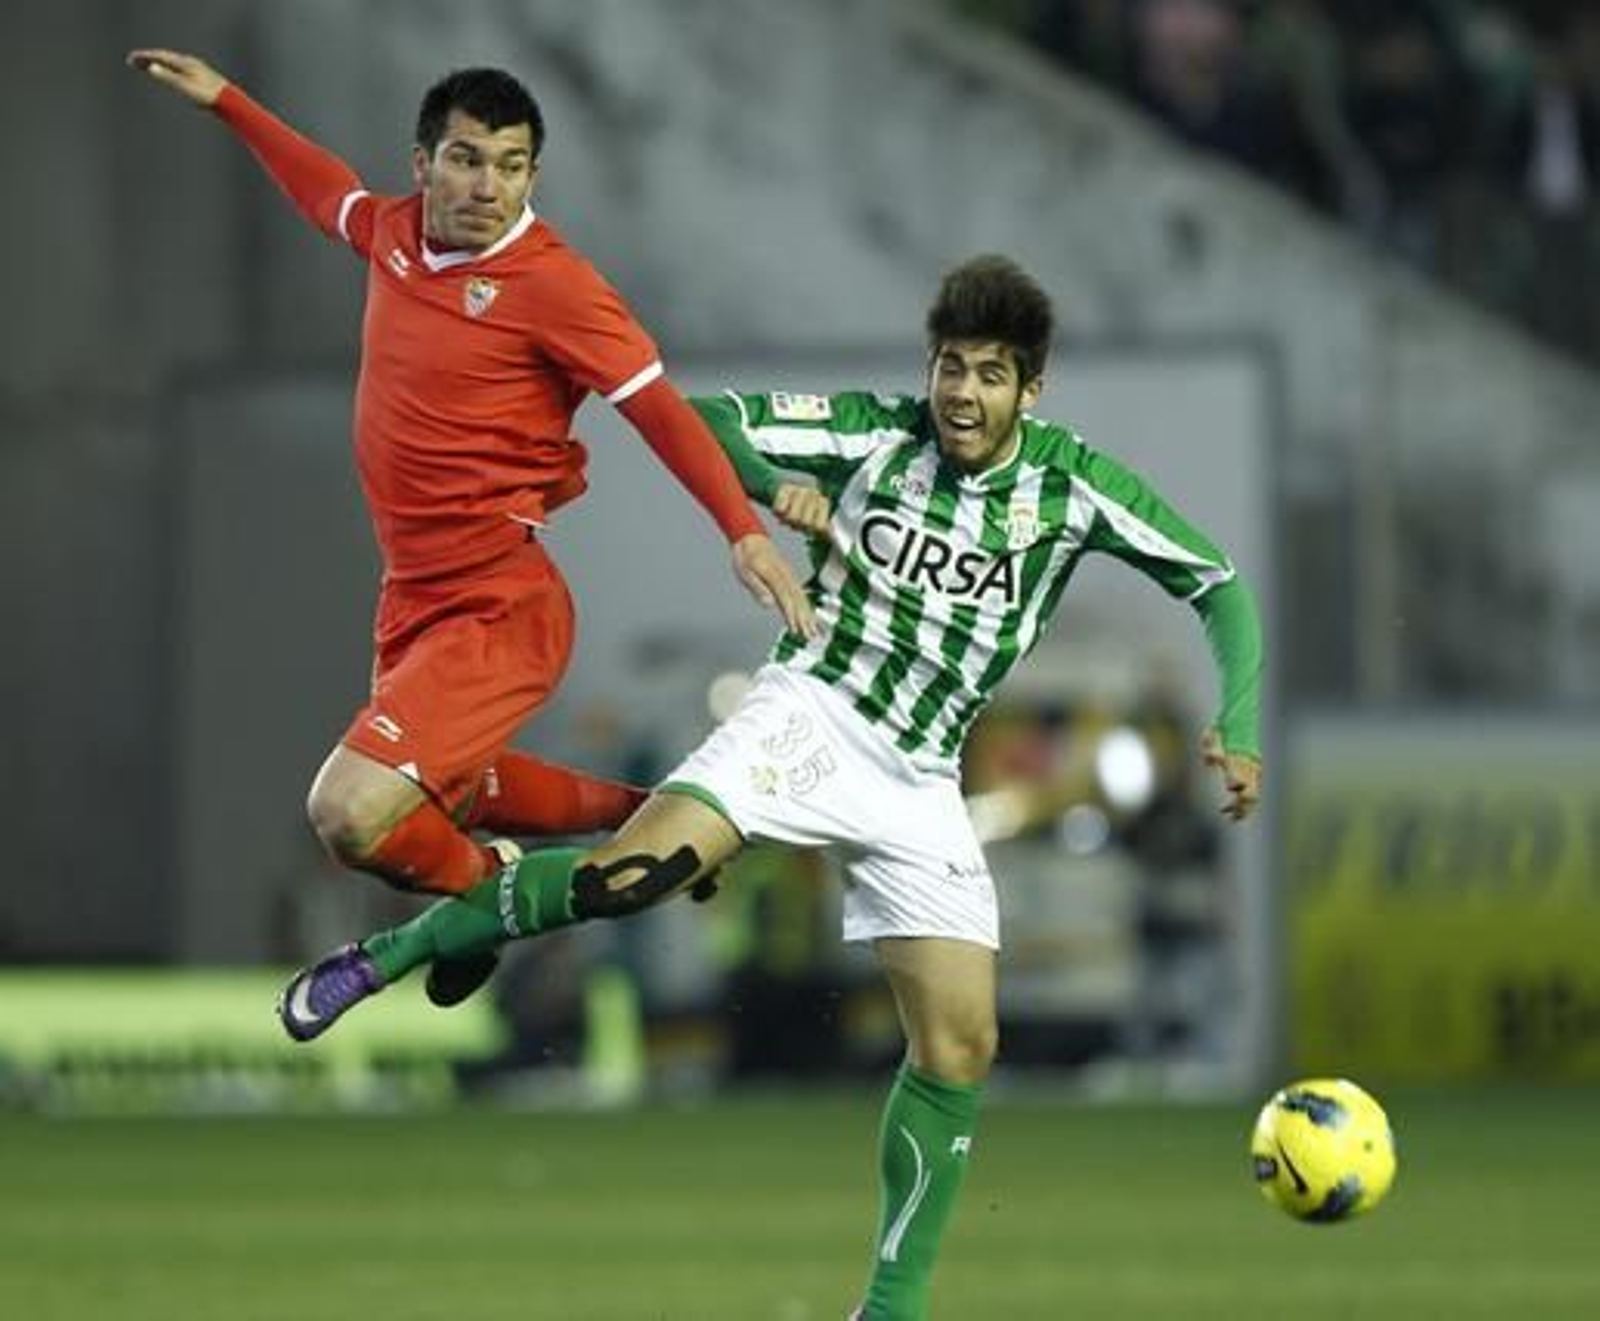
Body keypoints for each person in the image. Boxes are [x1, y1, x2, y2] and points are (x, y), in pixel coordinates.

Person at [278, 254, 1265, 1319]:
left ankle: (887, 1310)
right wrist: (762, 481)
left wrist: (1237, 722)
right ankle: (396, 951)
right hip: (809, 717)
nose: (962, 394)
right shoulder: (870, 435)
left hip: (920, 774)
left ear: (1032, 389)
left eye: (988, 374)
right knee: (632, 879)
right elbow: (697, 418)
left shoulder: (1072, 487)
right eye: (948, 367)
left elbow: (1216, 584)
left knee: (961, 1045)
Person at [126, 50, 815, 998]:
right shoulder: (399, 233)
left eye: (510, 164)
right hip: (411, 594)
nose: (487, 185)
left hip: (501, 600)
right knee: (443, 796)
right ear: (424, 164)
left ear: (533, 173)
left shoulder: (555, 284)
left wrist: (740, 528)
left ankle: (487, 894)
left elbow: (658, 407)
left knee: (348, 813)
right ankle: (667, 819)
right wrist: (231, 103)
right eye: (466, 159)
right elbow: (325, 192)